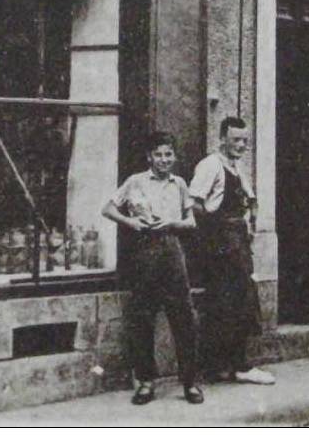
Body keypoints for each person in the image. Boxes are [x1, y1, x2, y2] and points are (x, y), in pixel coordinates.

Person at [102, 131, 204, 405]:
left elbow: (191, 221)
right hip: (143, 251)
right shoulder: (135, 182)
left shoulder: (180, 184)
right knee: (142, 317)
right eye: (158, 154)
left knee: (184, 317)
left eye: (168, 154)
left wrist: (171, 223)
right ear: (149, 157)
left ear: (174, 156)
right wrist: (131, 223)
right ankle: (146, 382)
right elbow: (108, 209)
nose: (163, 160)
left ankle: (190, 382)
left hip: (172, 250)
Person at [190, 116, 275, 385]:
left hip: (237, 243)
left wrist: (248, 221)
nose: (241, 145)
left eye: (245, 141)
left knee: (239, 303)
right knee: (227, 303)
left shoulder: (236, 167)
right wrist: (215, 235)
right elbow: (194, 204)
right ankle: (232, 366)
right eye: (236, 140)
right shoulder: (211, 165)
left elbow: (248, 199)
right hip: (221, 247)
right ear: (222, 139)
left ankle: (228, 365)